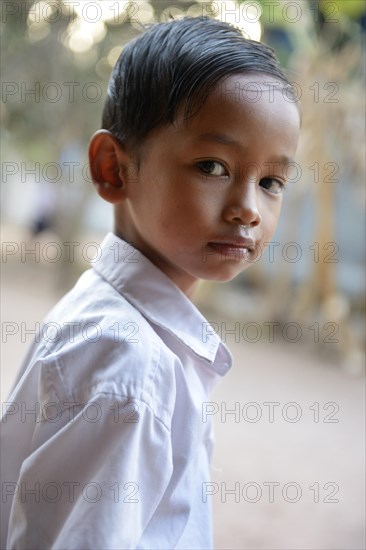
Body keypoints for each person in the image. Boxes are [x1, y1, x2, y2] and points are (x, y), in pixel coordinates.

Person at [0, 17, 300, 549]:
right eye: (212, 166)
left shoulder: (107, 321)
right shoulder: (129, 363)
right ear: (113, 168)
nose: (248, 209)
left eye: (271, 181)